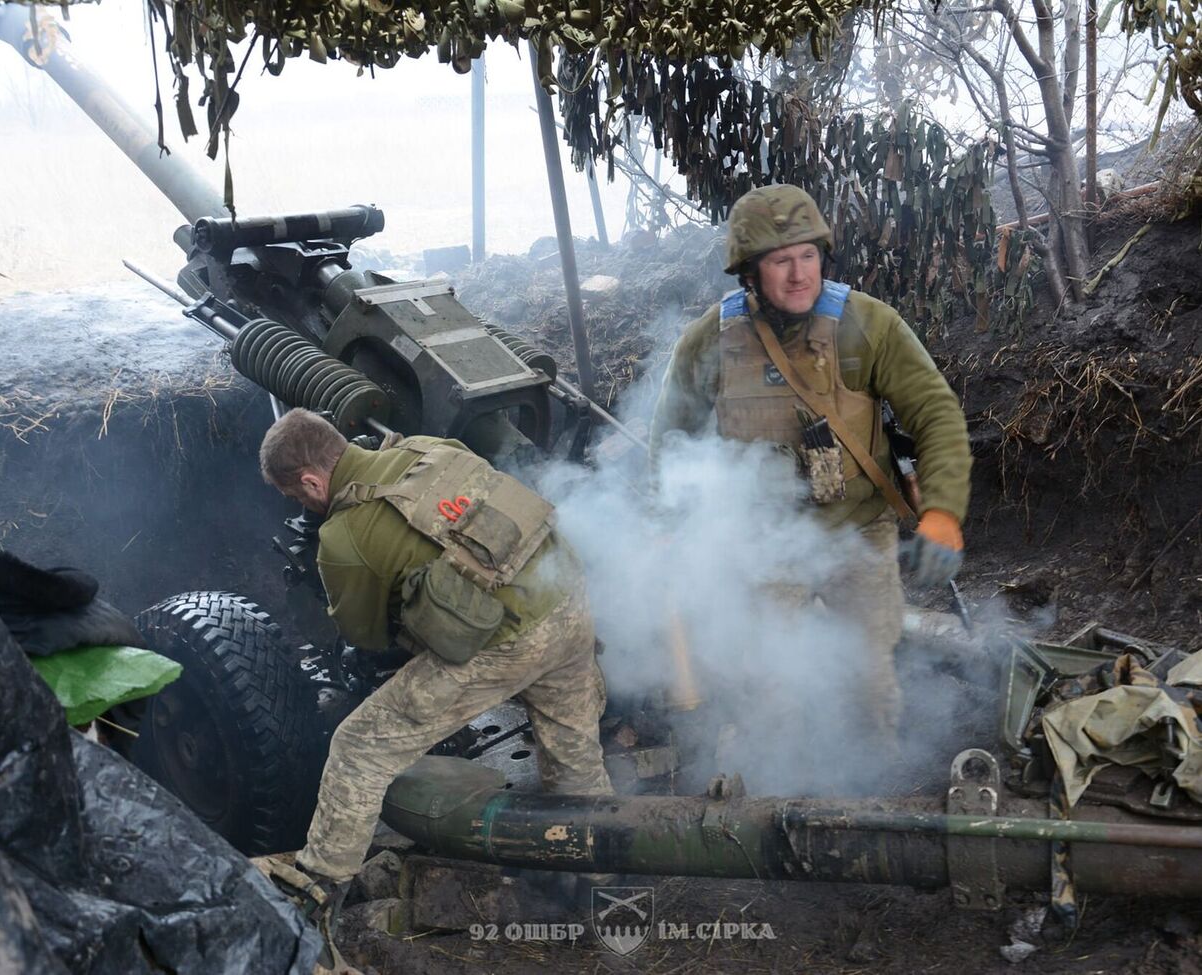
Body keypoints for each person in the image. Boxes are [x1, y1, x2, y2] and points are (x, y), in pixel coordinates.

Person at [256, 408, 612, 953]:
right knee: (572, 752)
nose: (302, 505)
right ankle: (602, 879)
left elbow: (366, 637)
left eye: (296, 496)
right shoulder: (426, 448)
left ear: (310, 480)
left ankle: (318, 890)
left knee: (358, 747)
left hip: (509, 642)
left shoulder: (344, 536)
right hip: (568, 597)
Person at [649, 183, 972, 741]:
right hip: (762, 545)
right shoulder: (710, 342)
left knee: (870, 681)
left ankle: (881, 781)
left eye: (808, 256)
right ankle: (781, 794)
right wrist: (674, 524)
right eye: (780, 260)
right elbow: (671, 440)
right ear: (750, 271)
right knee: (769, 691)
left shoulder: (867, 326)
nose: (799, 274)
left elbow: (937, 415)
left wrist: (942, 511)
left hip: (859, 534)